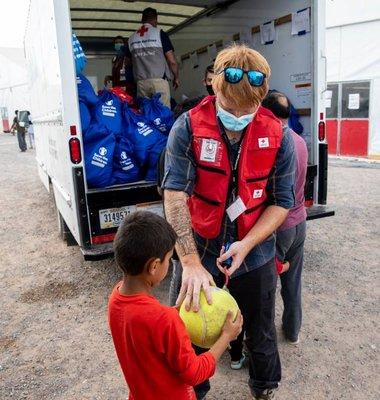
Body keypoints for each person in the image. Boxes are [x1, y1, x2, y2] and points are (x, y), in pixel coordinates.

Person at [163, 44, 295, 400]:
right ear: (215, 88)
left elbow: (282, 203)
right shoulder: (186, 127)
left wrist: (248, 243)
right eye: (230, 107)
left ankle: (264, 387)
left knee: (262, 329)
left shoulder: (280, 136)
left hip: (256, 252)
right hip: (200, 250)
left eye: (248, 108)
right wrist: (188, 262)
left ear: (261, 98)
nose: (238, 116)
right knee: (186, 331)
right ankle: (193, 391)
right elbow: (174, 194)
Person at [108, 211, 243, 400]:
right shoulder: (165, 320)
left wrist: (176, 310)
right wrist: (226, 337)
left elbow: (146, 329)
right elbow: (194, 373)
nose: (169, 266)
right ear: (154, 266)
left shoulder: (116, 298)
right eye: (169, 259)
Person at [262, 91, 308, 345]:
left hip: (279, 227)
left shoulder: (275, 143)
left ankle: (263, 340)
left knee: (265, 288)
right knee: (292, 284)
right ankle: (292, 331)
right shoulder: (299, 141)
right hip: (299, 223)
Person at [128, 7, 180, 107]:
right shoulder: (159, 33)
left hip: (141, 83)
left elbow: (128, 62)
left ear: (142, 19)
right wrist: (176, 77)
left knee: (145, 114)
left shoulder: (131, 38)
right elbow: (172, 61)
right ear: (155, 19)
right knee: (163, 114)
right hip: (159, 82)